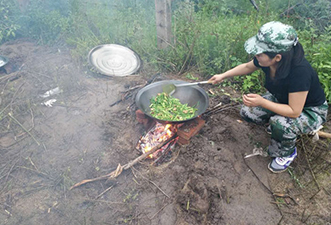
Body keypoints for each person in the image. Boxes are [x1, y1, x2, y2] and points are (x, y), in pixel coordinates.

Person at [208, 21, 328, 173]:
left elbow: (294, 111)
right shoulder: (266, 61)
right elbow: (246, 67)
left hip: (309, 110)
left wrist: (262, 101)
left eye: (259, 53)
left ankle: (287, 152)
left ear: (277, 57)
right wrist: (222, 76)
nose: (255, 56)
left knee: (280, 123)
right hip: (283, 101)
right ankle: (280, 130)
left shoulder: (300, 72)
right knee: (248, 112)